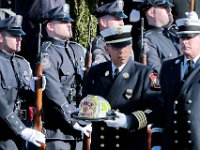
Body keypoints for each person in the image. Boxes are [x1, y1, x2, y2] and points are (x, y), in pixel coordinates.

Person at [82, 25, 163, 150]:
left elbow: (154, 109)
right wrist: (82, 112)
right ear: (106, 48)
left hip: (130, 142)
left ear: (131, 46)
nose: (122, 52)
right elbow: (85, 98)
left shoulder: (145, 73)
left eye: (125, 46)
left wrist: (129, 120)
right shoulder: (95, 72)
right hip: (101, 143)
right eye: (116, 47)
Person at [40, 4, 92, 150]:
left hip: (81, 128)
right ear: (50, 26)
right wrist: (73, 119)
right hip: (58, 133)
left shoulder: (77, 49)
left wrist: (90, 115)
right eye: (63, 22)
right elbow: (54, 92)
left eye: (69, 21)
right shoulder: (47, 54)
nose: (69, 24)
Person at [153, 11, 200, 150]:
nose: (185, 42)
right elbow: (161, 106)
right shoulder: (168, 67)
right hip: (172, 143)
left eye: (190, 37)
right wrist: (156, 143)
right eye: (182, 37)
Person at [0, 15, 46, 149]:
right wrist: (21, 129)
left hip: (26, 129)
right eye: (14, 35)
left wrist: (36, 89)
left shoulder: (23, 63)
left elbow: (28, 100)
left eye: (20, 35)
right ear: (1, 37)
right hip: (4, 134)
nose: (20, 38)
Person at [137, 0, 182, 72]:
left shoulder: (175, 34)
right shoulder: (148, 40)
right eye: (165, 7)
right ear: (151, 13)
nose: (169, 9)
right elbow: (155, 74)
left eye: (169, 6)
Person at [91, 0, 128, 65]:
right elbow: (103, 70)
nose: (122, 23)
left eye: (122, 20)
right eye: (117, 19)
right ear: (103, 22)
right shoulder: (100, 44)